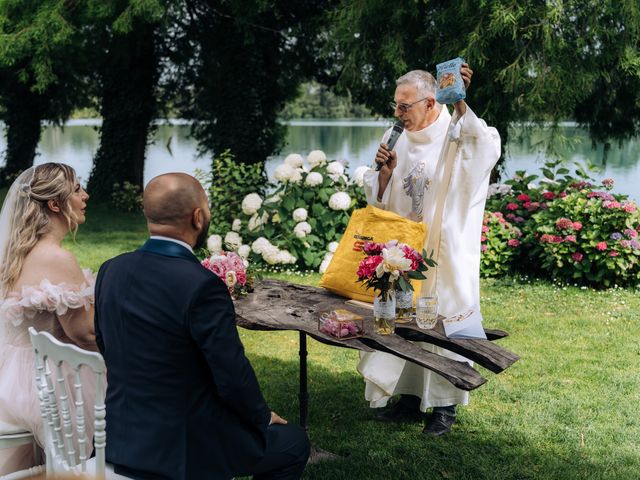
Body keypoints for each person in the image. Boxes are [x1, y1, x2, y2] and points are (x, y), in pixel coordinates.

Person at [94, 173, 310, 480]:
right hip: (182, 447)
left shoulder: (110, 270)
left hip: (119, 437)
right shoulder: (201, 285)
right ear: (198, 217)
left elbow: (105, 344)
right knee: (292, 443)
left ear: (148, 215)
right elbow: (231, 375)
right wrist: (261, 416)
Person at [359, 66, 501, 436]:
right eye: (396, 105)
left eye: (404, 106)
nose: (398, 113)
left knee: (441, 320)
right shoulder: (397, 136)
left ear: (430, 101)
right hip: (403, 247)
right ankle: (406, 397)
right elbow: (376, 192)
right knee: (404, 320)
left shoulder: (454, 131)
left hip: (444, 245)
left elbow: (485, 146)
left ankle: (444, 406)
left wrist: (461, 102)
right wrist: (385, 173)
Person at [0, 163, 96, 475]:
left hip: (11, 372)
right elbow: (84, 335)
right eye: (78, 189)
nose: (86, 196)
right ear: (55, 204)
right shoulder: (56, 257)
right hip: (39, 382)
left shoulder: (18, 252)